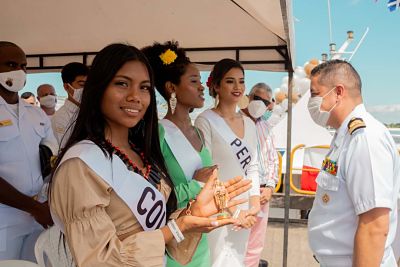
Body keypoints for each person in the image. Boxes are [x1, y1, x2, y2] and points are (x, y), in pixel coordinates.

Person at [49, 43, 251, 267]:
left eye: (144, 87)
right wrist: (177, 227)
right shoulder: (81, 166)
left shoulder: (141, 153)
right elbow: (99, 260)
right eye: (122, 84)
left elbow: (159, 229)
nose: (135, 96)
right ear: (98, 88)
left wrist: (192, 213)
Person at [307, 60, 400, 267]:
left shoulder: (364, 139)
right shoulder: (345, 137)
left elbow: (374, 225)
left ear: (338, 92)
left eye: (315, 93)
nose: (311, 101)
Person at [142, 41, 216, 267]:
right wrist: (195, 185)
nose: (202, 87)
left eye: (201, 81)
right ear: (171, 88)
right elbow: (149, 195)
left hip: (201, 238)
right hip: (173, 240)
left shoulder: (198, 133)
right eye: (194, 82)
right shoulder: (158, 133)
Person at [195, 58, 261, 266]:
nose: (238, 87)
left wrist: (254, 206)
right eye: (230, 81)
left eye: (241, 81)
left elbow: (253, 166)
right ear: (216, 85)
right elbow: (207, 173)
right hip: (218, 208)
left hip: (245, 212)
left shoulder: (250, 123)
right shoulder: (205, 120)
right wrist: (234, 211)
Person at [0, 41, 57, 261]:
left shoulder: (36, 114)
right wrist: (33, 207)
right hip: (5, 219)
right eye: (11, 64)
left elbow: (52, 152)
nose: (19, 71)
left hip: (38, 213)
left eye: (23, 66)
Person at [242, 83, 279, 267]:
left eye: (264, 101)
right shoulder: (237, 120)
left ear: (269, 104)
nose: (259, 103)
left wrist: (270, 187)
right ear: (248, 97)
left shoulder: (267, 126)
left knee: (256, 242)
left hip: (263, 191)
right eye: (256, 98)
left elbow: (273, 158)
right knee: (238, 238)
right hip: (243, 191)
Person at [51, 62, 88, 149]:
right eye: (82, 84)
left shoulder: (94, 112)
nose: (86, 89)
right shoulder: (60, 118)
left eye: (88, 84)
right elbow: (62, 151)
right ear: (67, 87)